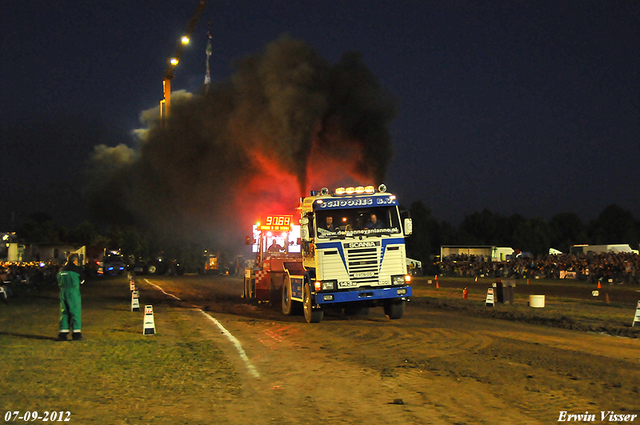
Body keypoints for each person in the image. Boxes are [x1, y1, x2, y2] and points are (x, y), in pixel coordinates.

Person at [57, 253, 84, 341]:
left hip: (63, 292)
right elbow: (82, 281)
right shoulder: (77, 269)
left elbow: (58, 280)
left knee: (64, 312)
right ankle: (76, 334)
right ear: (75, 261)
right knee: (75, 312)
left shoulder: (61, 269)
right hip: (73, 292)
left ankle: (62, 334)